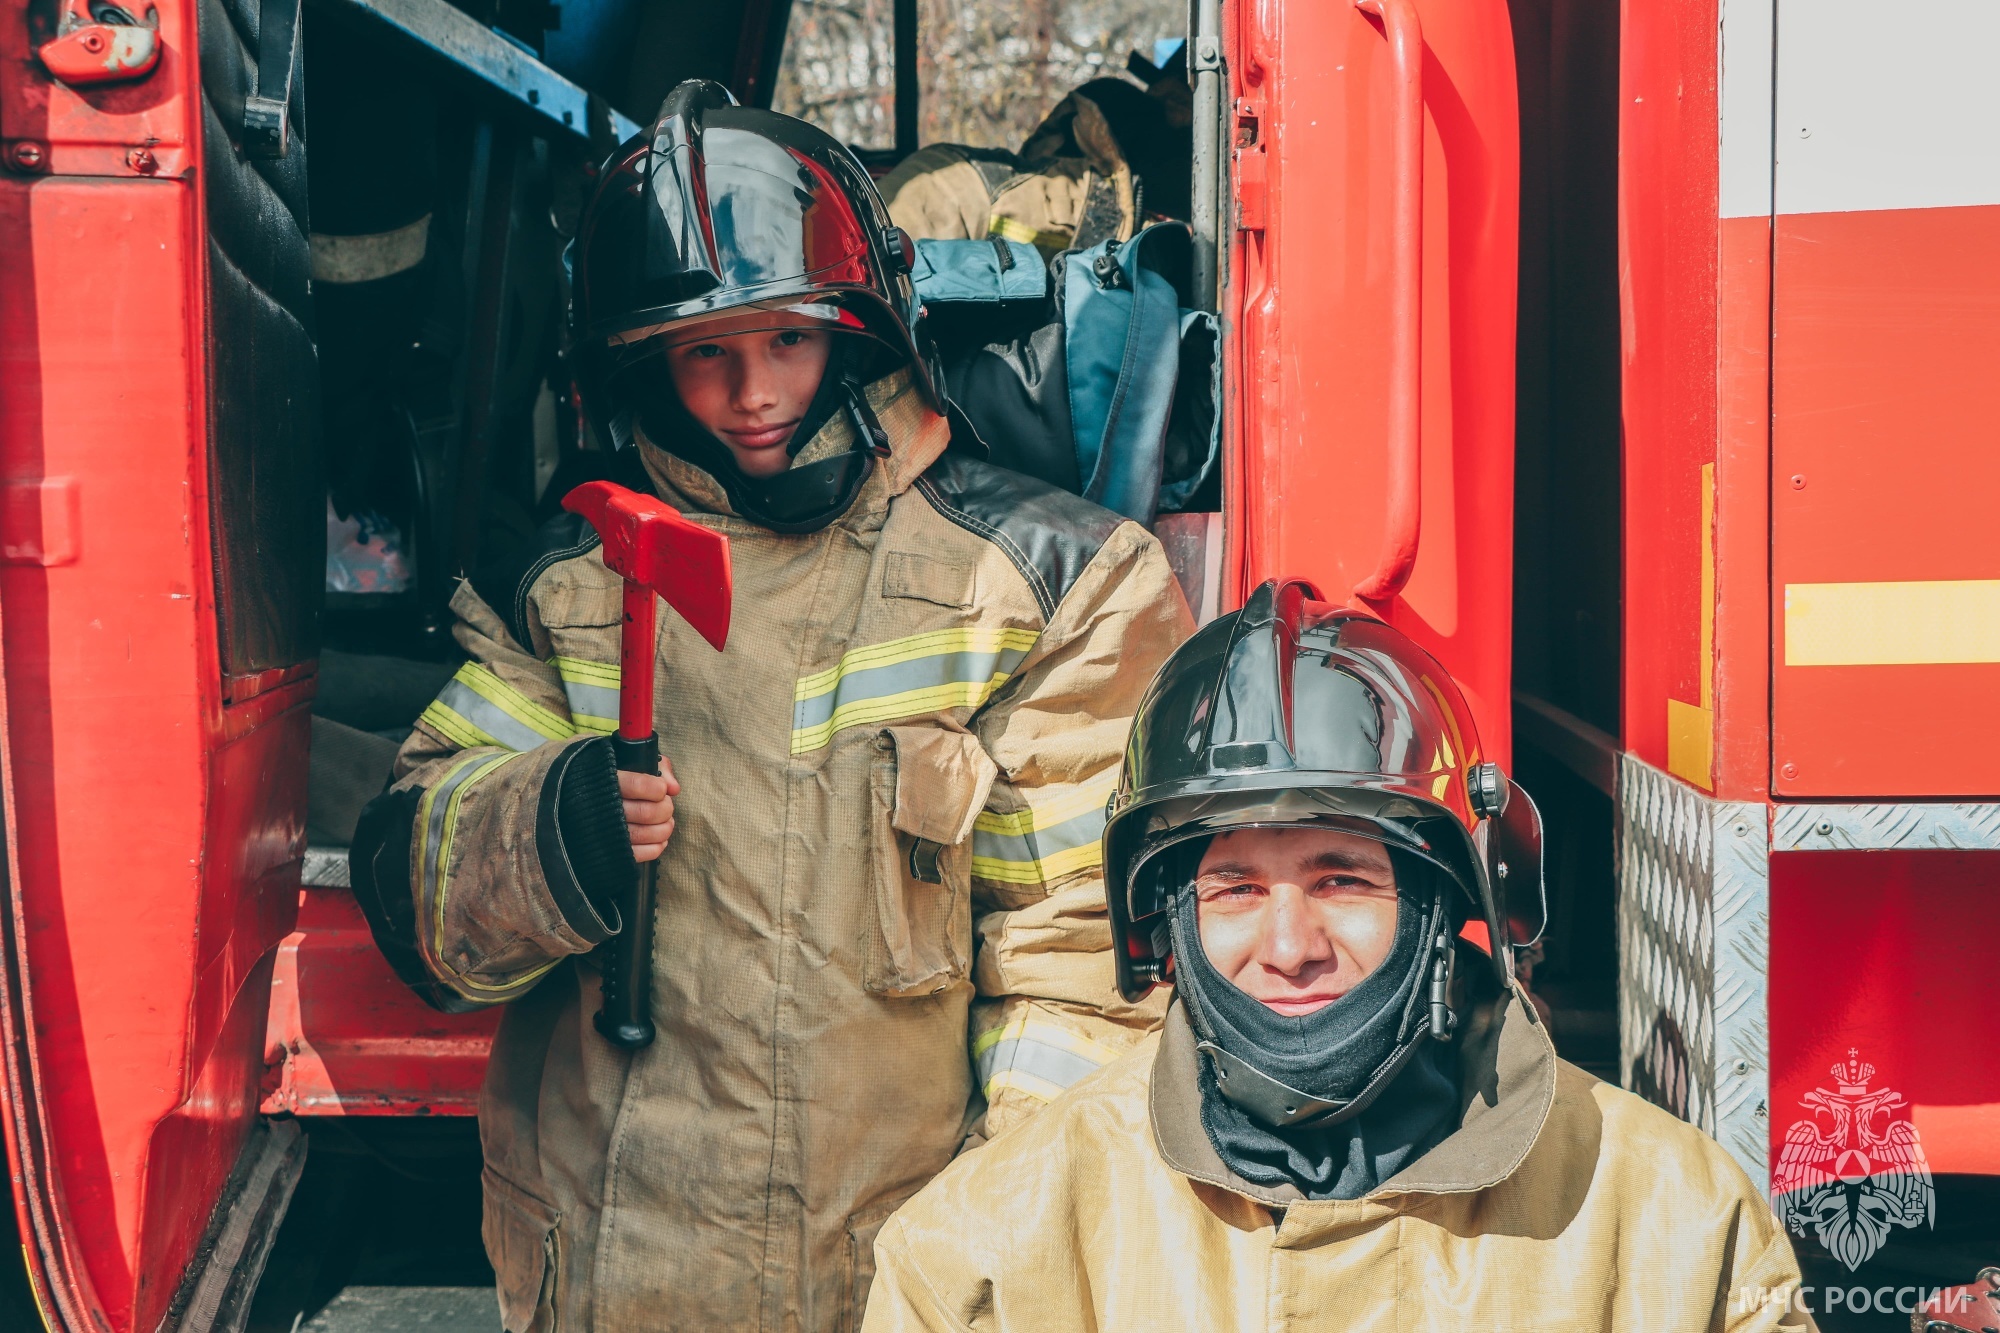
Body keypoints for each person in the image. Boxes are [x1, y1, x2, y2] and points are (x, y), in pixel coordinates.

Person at [347, 80, 1193, 1331]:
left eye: (786, 340)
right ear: (639, 370)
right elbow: (421, 899)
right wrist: (546, 833)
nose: (751, 393)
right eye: (705, 354)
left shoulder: (1048, 586)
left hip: (908, 1280)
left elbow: (1075, 982)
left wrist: (997, 1259)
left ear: (859, 332)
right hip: (609, 1278)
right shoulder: (566, 587)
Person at [863, 580, 1815, 1333]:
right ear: (1165, 923)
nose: (1289, 948)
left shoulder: (1676, 1224)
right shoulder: (983, 1250)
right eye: (1234, 887)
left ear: (1451, 902)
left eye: (1344, 881)